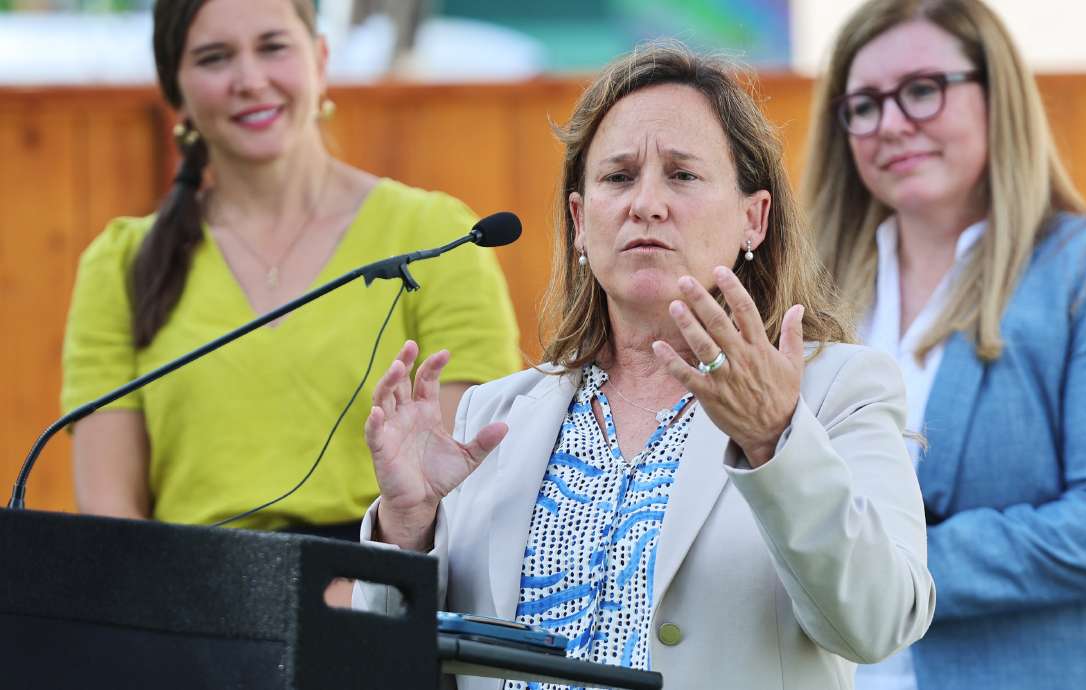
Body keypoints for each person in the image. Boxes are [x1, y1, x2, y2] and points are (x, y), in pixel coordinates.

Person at [353, 42, 936, 689]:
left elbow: (880, 623)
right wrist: (405, 532)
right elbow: (390, 667)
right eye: (618, 177)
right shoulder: (495, 415)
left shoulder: (835, 391)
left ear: (754, 218)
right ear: (580, 220)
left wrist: (776, 440)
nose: (646, 204)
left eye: (682, 175)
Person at [802, 1, 1086, 689]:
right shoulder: (812, 300)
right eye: (863, 104)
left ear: (996, 92)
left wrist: (890, 568)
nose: (891, 123)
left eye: (922, 90)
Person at [60, 0, 520, 536]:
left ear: (320, 59)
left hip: (391, 578)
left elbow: (461, 482)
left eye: (273, 47)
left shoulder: (437, 237)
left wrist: (366, 585)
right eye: (214, 58)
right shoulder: (118, 264)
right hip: (188, 597)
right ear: (175, 89)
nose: (250, 80)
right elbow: (110, 521)